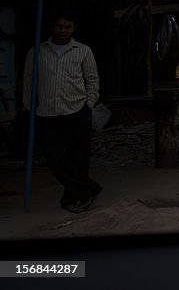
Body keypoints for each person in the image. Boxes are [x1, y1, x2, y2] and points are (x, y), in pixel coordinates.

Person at [22, 11, 102, 212]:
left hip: (76, 110)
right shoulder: (37, 52)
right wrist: (29, 107)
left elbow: (92, 79)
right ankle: (90, 189)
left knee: (79, 158)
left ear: (73, 29)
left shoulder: (83, 51)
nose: (62, 30)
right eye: (59, 26)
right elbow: (28, 81)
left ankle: (73, 199)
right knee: (54, 158)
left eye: (67, 27)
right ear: (52, 27)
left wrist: (89, 104)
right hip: (47, 113)